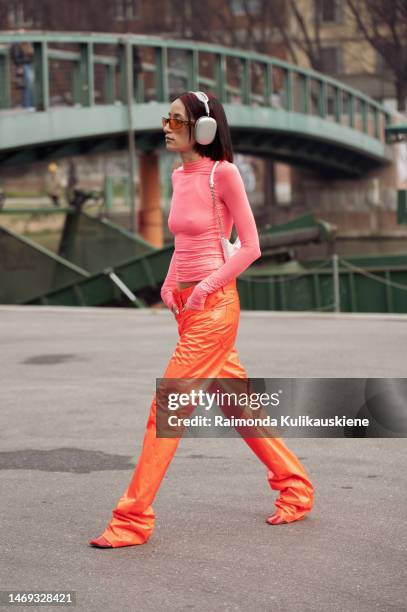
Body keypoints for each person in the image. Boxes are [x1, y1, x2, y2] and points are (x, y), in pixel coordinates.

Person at [89, 91, 314, 549]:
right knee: (239, 406)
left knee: (166, 408)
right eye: (166, 118)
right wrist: (170, 285)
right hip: (187, 309)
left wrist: (205, 290)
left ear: (204, 129)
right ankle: (296, 488)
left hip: (214, 309)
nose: (166, 126)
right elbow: (184, 244)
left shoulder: (222, 174)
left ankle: (131, 520)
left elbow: (249, 246)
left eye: (176, 120)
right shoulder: (179, 174)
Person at [10, 41, 35, 109]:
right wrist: (19, 66)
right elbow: (16, 57)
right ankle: (27, 105)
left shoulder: (28, 44)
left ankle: (30, 104)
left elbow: (32, 56)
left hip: (29, 65)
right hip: (23, 66)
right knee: (26, 85)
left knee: (29, 85)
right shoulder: (16, 44)